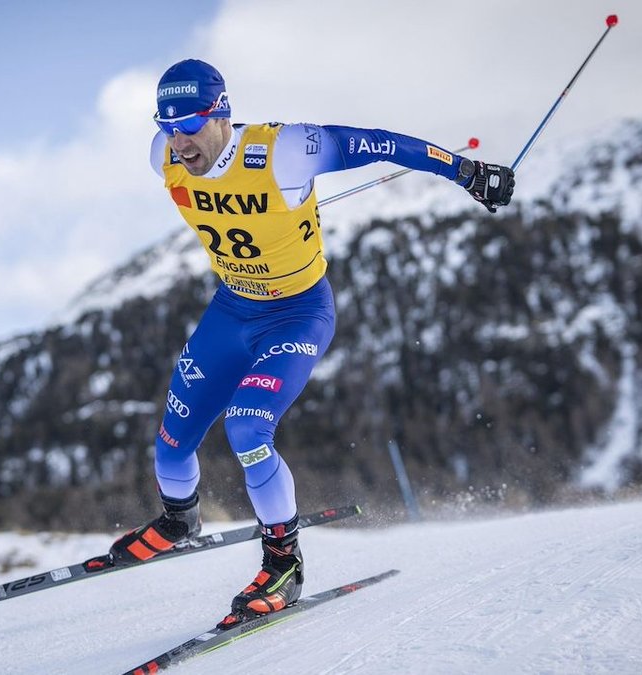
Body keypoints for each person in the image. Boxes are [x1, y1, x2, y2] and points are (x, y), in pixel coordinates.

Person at [105, 59, 514, 625]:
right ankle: (180, 518)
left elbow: (383, 143)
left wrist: (468, 172)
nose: (179, 142)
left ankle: (285, 563)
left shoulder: (287, 150)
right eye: (167, 126)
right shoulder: (163, 155)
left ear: (221, 113)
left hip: (298, 314)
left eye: (191, 125)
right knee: (171, 444)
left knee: (247, 427)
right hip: (232, 311)